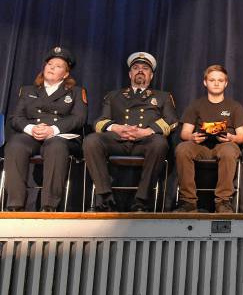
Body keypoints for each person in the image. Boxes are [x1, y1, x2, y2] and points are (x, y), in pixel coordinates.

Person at [83, 52, 178, 212]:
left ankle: (141, 200)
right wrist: (117, 128)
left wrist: (147, 131)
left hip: (145, 142)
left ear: (151, 75)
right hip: (118, 140)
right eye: (136, 68)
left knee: (160, 143)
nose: (140, 70)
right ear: (130, 74)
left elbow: (172, 120)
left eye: (145, 68)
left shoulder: (163, 96)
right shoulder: (113, 96)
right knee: (91, 140)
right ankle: (105, 198)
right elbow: (99, 121)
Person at [4, 47, 87, 211]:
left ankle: (49, 205)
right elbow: (16, 118)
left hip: (60, 135)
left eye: (58, 66)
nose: (51, 67)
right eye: (50, 64)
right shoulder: (28, 91)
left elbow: (79, 119)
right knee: (15, 144)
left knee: (56, 146)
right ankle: (15, 204)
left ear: (65, 74)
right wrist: (31, 128)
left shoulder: (76, 92)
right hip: (32, 134)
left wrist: (53, 129)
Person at [173, 65, 243, 213]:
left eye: (220, 80)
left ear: (226, 83)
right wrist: (192, 136)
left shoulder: (235, 106)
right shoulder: (196, 104)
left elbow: (242, 136)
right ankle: (187, 201)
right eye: (212, 80)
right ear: (205, 82)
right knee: (182, 149)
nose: (216, 83)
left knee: (228, 150)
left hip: (224, 146)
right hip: (201, 146)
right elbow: (184, 133)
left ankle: (223, 202)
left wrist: (231, 137)